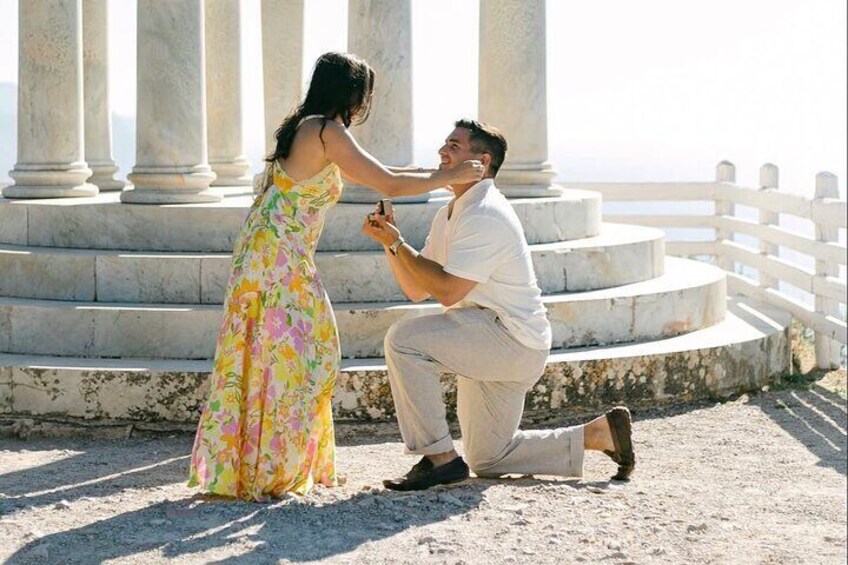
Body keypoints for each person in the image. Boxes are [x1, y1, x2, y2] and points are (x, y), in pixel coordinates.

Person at [188, 53, 484, 501]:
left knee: (285, 353)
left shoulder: (309, 126)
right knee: (301, 354)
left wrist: (444, 176)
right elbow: (388, 182)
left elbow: (387, 174)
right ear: (352, 93)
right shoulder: (326, 130)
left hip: (271, 252)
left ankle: (269, 464)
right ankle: (270, 469)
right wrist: (451, 174)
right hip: (277, 256)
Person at [361, 119, 636, 491]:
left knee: (403, 340)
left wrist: (398, 243)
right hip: (494, 338)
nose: (442, 152)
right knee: (490, 458)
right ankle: (599, 434)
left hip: (509, 339)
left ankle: (439, 459)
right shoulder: (451, 212)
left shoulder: (485, 213)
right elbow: (416, 288)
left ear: (483, 161)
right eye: (444, 144)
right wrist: (389, 243)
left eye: (454, 146)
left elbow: (447, 292)